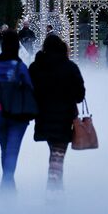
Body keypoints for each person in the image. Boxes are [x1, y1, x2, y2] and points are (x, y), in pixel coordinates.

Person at [29, 34, 85, 190]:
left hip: (43, 117)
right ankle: (53, 190)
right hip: (64, 118)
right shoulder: (70, 67)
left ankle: (56, 187)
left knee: (55, 152)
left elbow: (29, 91)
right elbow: (80, 95)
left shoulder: (35, 67)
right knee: (58, 154)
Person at [0, 30, 33, 192]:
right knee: (12, 151)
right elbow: (30, 88)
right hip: (17, 114)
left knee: (4, 150)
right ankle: (6, 185)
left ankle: (8, 186)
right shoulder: (20, 67)